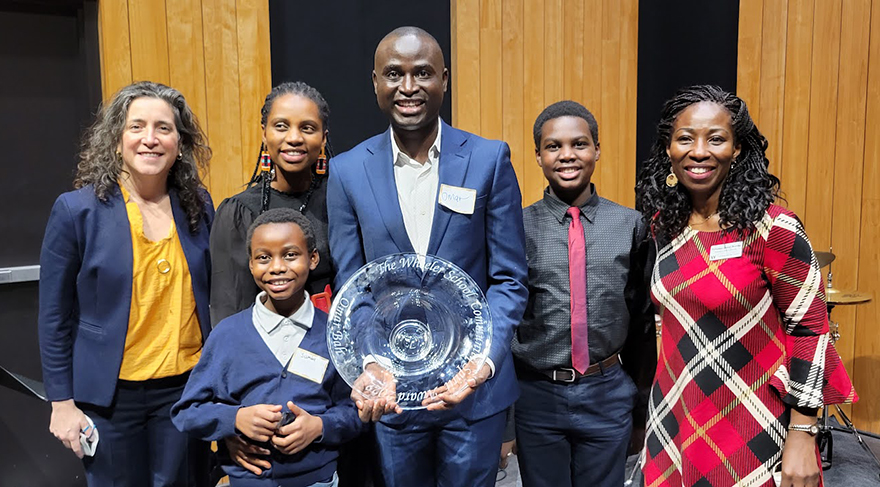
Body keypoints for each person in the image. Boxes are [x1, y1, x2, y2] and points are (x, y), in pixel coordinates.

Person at [326, 26, 528, 487]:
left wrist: (484, 360)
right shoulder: (347, 171)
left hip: (473, 394)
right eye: (394, 74)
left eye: (423, 73)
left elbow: (509, 278)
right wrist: (371, 361)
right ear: (375, 82)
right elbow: (353, 282)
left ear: (445, 79)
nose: (409, 87)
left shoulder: (488, 159)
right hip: (394, 389)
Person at [635, 85, 857, 487]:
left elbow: (811, 331)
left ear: (737, 149)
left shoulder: (774, 228)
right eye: (685, 138)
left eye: (716, 138)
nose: (699, 151)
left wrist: (803, 433)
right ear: (668, 149)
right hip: (676, 414)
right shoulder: (663, 226)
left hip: (750, 420)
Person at [38, 81, 214, 486]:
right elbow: (53, 318)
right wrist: (61, 403)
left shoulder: (199, 206)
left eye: (163, 128)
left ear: (180, 143)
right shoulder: (76, 211)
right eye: (136, 127)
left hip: (185, 391)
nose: (149, 139)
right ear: (117, 140)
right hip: (109, 400)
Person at [511, 100, 656, 487]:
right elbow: (503, 318)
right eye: (553, 146)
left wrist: (641, 405)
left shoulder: (630, 224)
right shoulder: (515, 227)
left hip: (606, 390)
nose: (567, 155)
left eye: (579, 144)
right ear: (538, 155)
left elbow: (642, 319)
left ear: (596, 150)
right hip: (536, 392)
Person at [172, 208, 362, 487]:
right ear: (250, 264)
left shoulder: (334, 334)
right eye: (263, 258)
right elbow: (187, 412)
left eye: (290, 255)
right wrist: (234, 418)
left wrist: (320, 427)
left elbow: (355, 410)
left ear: (313, 259)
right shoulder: (228, 335)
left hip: (317, 481)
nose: (276, 267)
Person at [210, 81, 334, 325]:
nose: (294, 138)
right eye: (281, 126)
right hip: (263, 354)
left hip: (333, 347)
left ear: (323, 138)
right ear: (264, 133)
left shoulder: (340, 201)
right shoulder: (239, 213)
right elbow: (229, 310)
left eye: (307, 128)